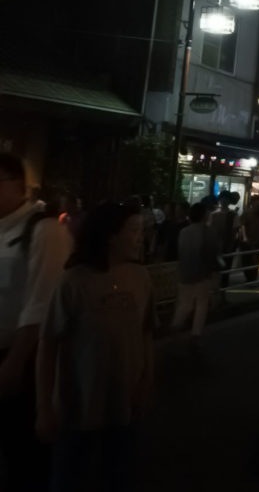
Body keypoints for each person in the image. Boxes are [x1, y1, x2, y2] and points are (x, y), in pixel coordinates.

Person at [37, 201, 154, 492]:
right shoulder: (74, 282)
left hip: (124, 405)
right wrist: (44, 407)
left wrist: (145, 382)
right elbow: (48, 344)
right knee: (71, 478)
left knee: (118, 476)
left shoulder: (140, 277)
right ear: (110, 235)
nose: (141, 237)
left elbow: (147, 334)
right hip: (79, 407)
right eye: (134, 230)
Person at [0, 152, 72, 491]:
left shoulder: (43, 230)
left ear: (16, 183)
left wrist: (15, 362)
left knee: (24, 454)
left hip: (24, 361)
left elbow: (40, 303)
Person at [171, 202, 220, 350]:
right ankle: (196, 334)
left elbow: (180, 252)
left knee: (185, 303)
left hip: (185, 272)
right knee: (201, 304)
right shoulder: (209, 232)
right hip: (202, 274)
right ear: (204, 215)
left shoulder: (184, 232)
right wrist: (214, 274)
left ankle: (176, 325)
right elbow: (212, 255)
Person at [241, 195, 259, 283]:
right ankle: (248, 277)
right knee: (246, 260)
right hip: (247, 241)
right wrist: (244, 237)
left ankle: (253, 278)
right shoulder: (247, 212)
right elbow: (243, 225)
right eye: (257, 201)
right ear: (253, 202)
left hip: (257, 241)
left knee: (255, 260)